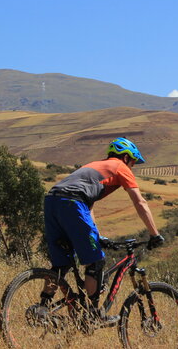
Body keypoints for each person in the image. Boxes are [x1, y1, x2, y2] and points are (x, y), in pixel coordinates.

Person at [41, 137, 164, 325]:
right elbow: (140, 202)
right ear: (125, 157)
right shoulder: (120, 167)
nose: (132, 167)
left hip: (51, 201)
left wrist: (96, 236)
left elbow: (88, 205)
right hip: (73, 203)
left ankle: (42, 307)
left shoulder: (93, 166)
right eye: (133, 162)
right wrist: (154, 234)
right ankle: (93, 315)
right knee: (96, 262)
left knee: (61, 264)